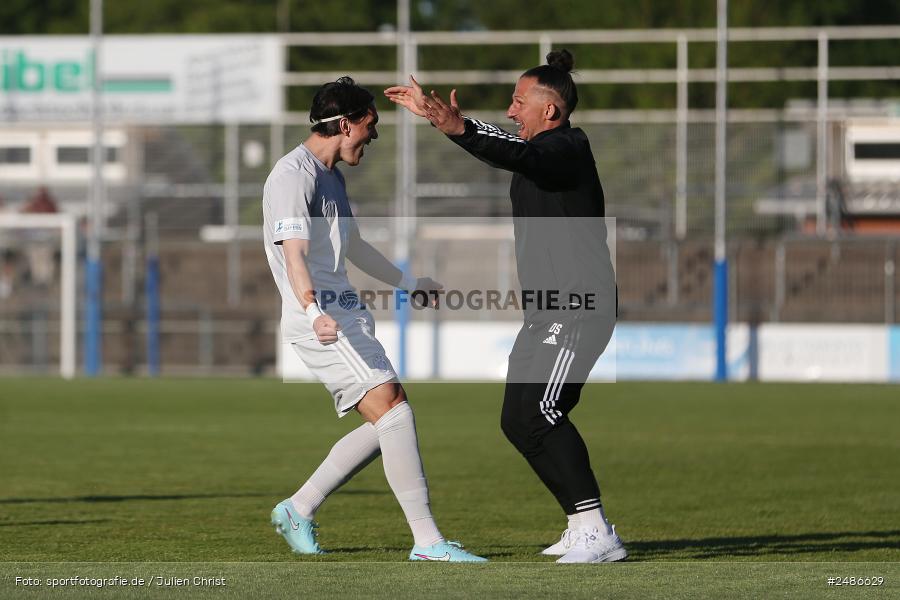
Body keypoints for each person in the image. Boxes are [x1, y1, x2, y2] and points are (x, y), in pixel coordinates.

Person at [386, 50, 626, 564]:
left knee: (541, 410)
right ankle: (579, 524)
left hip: (578, 307)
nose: (511, 110)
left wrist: (458, 128)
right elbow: (512, 146)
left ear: (551, 112)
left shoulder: (567, 147)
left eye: (519, 102)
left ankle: (595, 529)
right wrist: (454, 124)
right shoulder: (539, 146)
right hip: (548, 311)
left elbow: (522, 155)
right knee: (518, 420)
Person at [263, 76, 485, 563]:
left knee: (391, 416)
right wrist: (313, 310)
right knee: (394, 411)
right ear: (345, 124)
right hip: (322, 320)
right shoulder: (291, 176)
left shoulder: (331, 177)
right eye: (370, 125)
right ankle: (427, 542)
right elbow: (294, 253)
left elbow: (356, 247)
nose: (374, 136)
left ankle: (299, 508)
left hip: (344, 313)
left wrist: (409, 284)